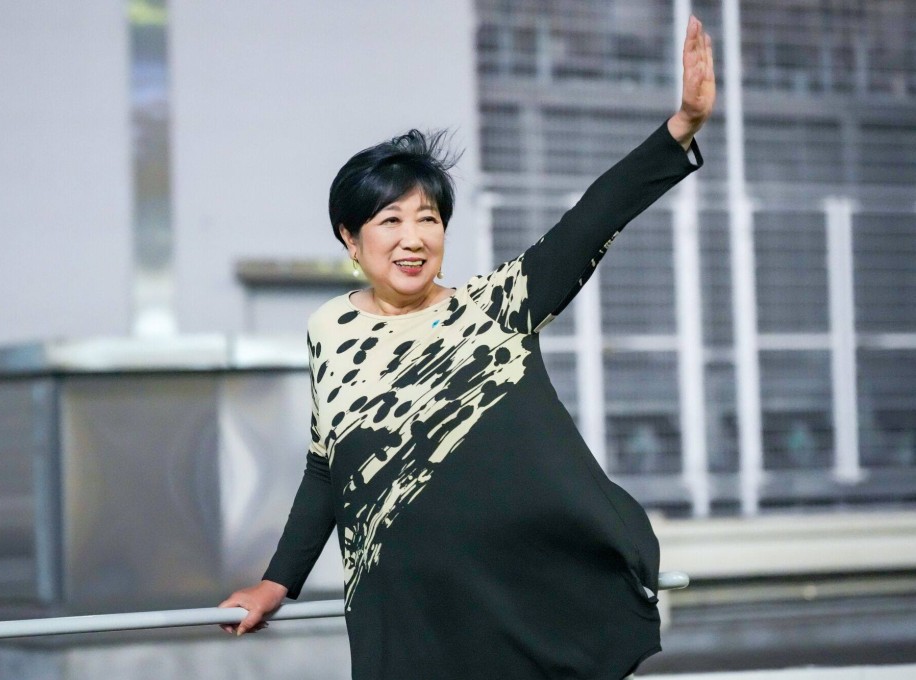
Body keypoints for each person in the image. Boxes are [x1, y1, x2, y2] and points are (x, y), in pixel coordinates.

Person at [220, 15, 715, 680]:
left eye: (428, 218)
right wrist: (276, 583)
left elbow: (592, 218)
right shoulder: (329, 331)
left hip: (507, 610)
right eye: (390, 220)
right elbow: (326, 471)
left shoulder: (495, 308)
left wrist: (679, 125)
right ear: (350, 239)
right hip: (401, 617)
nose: (413, 237)